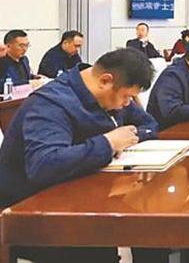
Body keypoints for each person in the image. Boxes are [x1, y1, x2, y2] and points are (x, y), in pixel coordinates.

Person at [0, 48, 156, 211]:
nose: (127, 103)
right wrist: (109, 143)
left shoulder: (112, 94)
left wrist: (128, 138)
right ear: (105, 81)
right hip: (30, 207)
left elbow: (150, 125)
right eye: (126, 96)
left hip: (88, 189)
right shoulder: (50, 104)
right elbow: (44, 165)